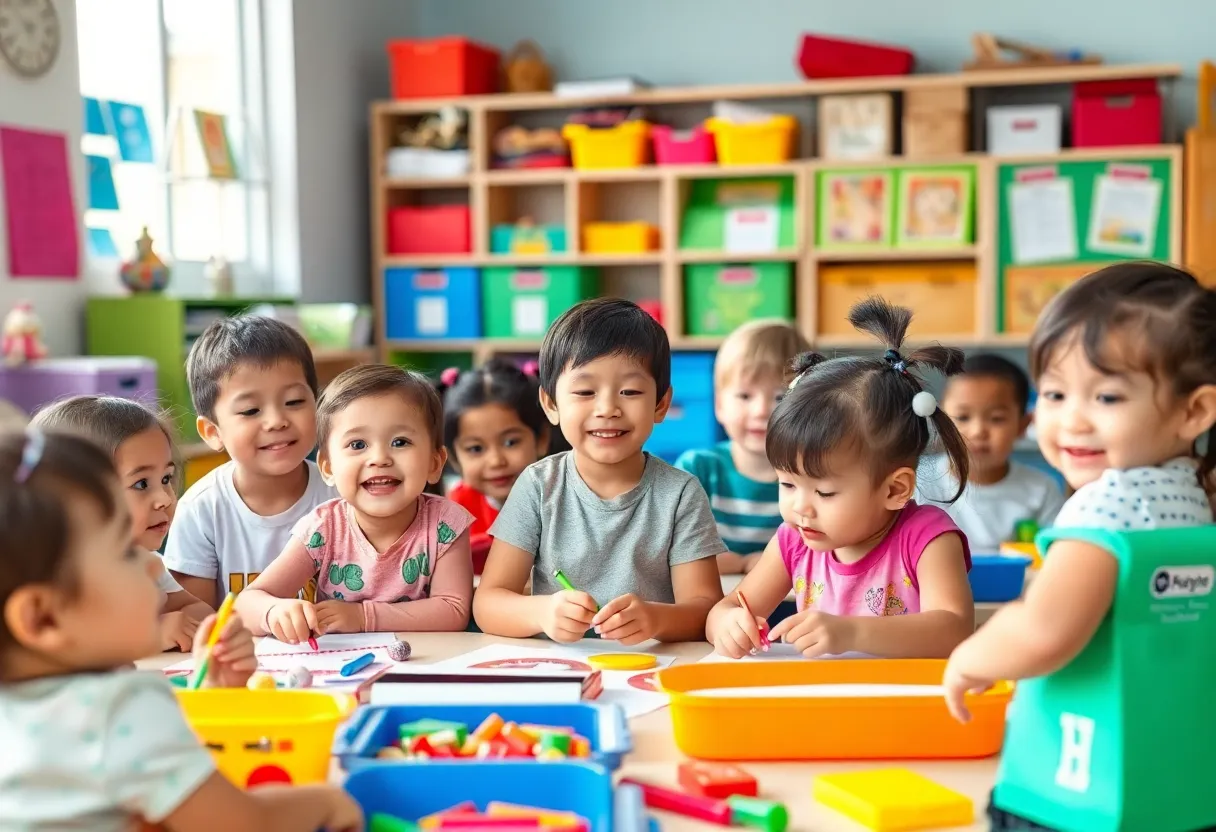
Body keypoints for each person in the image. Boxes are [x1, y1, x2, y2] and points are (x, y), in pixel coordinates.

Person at [943, 263, 1216, 831]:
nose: (1072, 420)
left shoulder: (1106, 508)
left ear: (1193, 411)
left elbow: (1044, 631)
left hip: (1074, 784)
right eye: (1055, 393)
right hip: (1170, 774)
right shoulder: (1194, 494)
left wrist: (969, 657)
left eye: (1107, 396)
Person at [0, 428, 362, 831]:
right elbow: (241, 825)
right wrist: (328, 802)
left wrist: (210, 695)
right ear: (43, 619)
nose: (153, 564)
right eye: (124, 552)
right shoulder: (121, 709)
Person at [706, 297, 974, 659]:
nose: (801, 507)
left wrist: (851, 632)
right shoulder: (794, 541)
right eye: (787, 484)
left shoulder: (926, 538)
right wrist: (728, 624)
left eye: (825, 492)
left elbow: (954, 629)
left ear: (895, 489)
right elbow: (724, 610)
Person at [473, 298, 726, 644]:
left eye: (630, 391)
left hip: (652, 664)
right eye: (585, 391)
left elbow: (706, 611)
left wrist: (656, 619)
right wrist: (541, 612)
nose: (607, 409)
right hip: (560, 666)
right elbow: (487, 603)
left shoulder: (680, 493)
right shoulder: (538, 486)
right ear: (551, 404)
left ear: (661, 404)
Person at [237, 364, 473, 640]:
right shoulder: (323, 528)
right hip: (340, 662)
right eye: (358, 445)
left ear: (435, 463)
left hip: (429, 660)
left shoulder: (446, 523)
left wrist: (363, 617)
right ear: (327, 467)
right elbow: (247, 604)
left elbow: (454, 610)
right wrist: (274, 611)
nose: (379, 458)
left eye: (400, 442)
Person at [164, 316, 336, 608]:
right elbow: (196, 618)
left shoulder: (342, 493)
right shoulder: (201, 509)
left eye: (294, 402)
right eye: (250, 410)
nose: (276, 421)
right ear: (213, 432)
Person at [33, 395, 214, 651]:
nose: (165, 499)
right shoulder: (55, 577)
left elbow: (200, 611)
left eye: (166, 479)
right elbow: (63, 647)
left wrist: (190, 624)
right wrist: (152, 634)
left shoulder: (147, 563)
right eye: (141, 484)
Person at [676, 320, 810, 574]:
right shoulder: (697, 469)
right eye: (745, 396)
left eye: (780, 397)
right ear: (719, 405)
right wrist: (744, 563)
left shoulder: (815, 475)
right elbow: (674, 552)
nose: (761, 411)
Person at [917, 354, 1065, 551]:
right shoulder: (918, 482)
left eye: (996, 419)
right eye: (963, 417)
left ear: (1023, 425)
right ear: (941, 421)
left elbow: (1056, 556)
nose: (978, 431)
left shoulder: (1042, 490)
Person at [440, 359, 550, 573]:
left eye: (510, 442)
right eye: (476, 448)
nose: (496, 461)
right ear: (453, 457)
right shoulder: (456, 509)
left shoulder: (560, 500)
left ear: (541, 439)